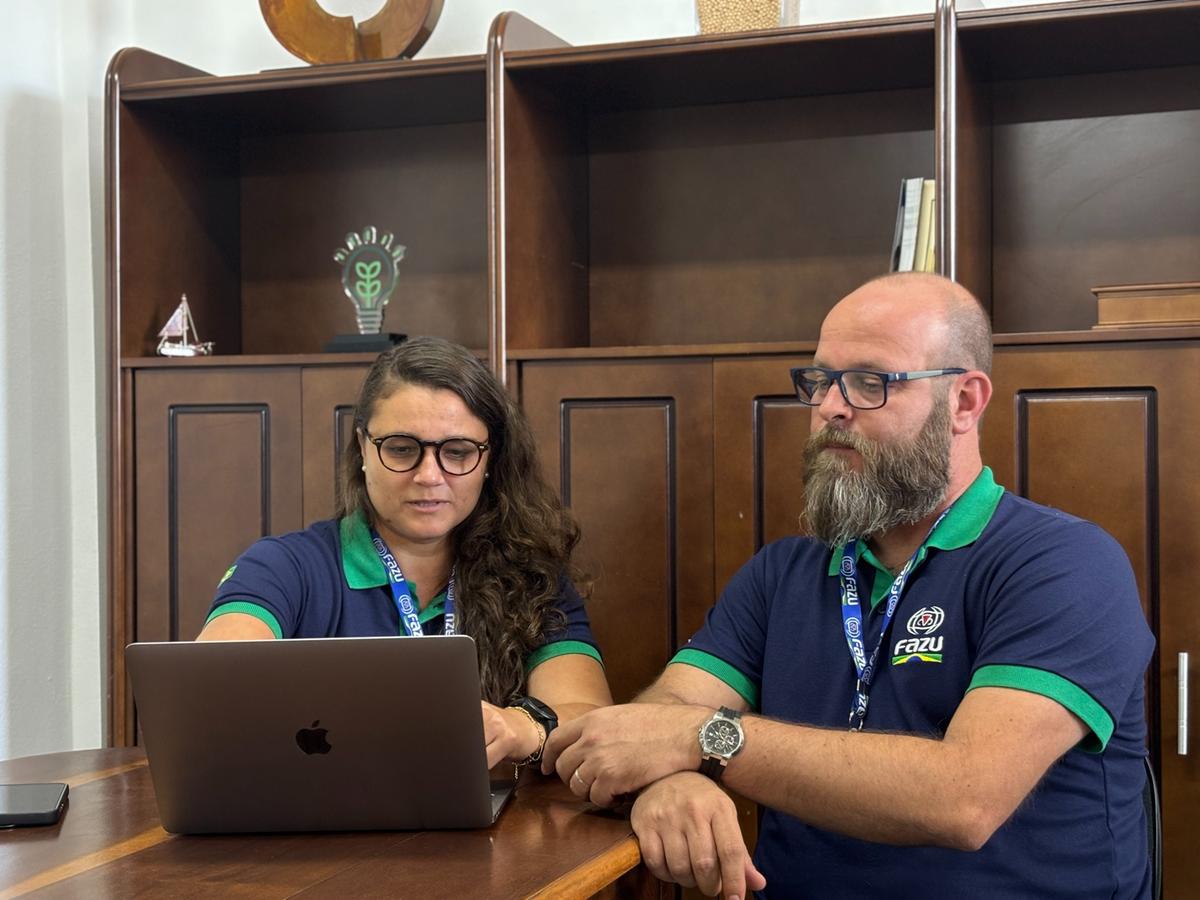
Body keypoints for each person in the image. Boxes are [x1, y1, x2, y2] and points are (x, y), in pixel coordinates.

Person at [540, 273, 1154, 899]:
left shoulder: (1064, 564)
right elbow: (661, 714)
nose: (831, 407)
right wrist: (672, 779)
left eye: (871, 383)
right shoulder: (783, 572)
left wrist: (706, 741)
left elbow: (964, 799)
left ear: (965, 402)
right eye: (821, 381)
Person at [199, 336, 612, 769]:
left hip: (487, 828)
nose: (429, 475)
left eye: (457, 452)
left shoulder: (533, 577)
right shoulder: (281, 567)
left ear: (490, 459)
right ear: (363, 448)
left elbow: (590, 718)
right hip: (314, 824)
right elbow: (211, 688)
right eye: (401, 448)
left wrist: (520, 727)